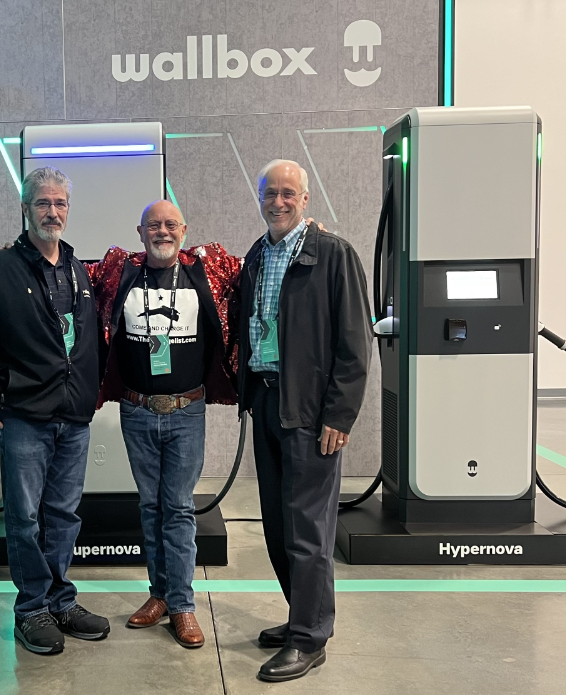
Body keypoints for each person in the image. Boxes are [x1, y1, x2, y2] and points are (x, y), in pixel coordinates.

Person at [0, 167, 110, 655]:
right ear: (25, 208)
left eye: (60, 203)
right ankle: (31, 609)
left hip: (73, 419)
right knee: (25, 520)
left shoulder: (77, 270)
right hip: (23, 420)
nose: (52, 212)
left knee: (64, 516)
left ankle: (60, 601)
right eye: (43, 203)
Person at [236, 160, 372, 682]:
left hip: (312, 413)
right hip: (268, 401)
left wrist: (340, 412)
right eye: (270, 193)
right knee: (277, 524)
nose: (278, 202)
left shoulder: (333, 255)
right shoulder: (258, 254)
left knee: (308, 530)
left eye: (288, 193)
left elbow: (355, 343)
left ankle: (310, 639)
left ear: (305, 199)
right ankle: (303, 616)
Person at [85, 200, 241, 648]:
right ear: (140, 232)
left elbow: (261, 266)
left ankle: (183, 605)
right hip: (136, 411)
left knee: (177, 508)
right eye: (153, 225)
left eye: (171, 224)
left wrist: (310, 234)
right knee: (150, 508)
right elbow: (69, 271)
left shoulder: (206, 271)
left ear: (184, 231)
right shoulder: (119, 272)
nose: (162, 231)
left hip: (186, 411)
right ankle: (160, 595)